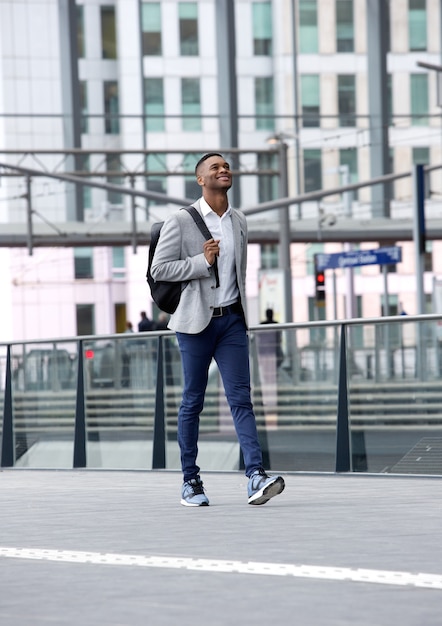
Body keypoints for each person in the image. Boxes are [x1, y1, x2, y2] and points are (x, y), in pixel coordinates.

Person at [150, 152, 285, 507]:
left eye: (226, 166)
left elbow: (238, 274)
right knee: (192, 402)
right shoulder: (180, 221)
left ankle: (256, 475)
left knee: (241, 399)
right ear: (200, 179)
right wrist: (200, 262)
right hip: (195, 323)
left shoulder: (238, 220)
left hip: (232, 322)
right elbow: (159, 270)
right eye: (215, 168)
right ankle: (190, 481)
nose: (224, 170)